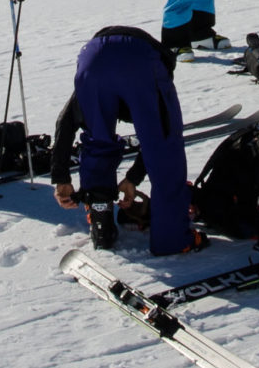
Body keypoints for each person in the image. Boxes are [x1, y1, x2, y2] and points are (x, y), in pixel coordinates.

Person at [47, 26, 205, 256]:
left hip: (93, 57)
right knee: (165, 147)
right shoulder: (159, 71)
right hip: (140, 58)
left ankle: (100, 218)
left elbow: (65, 123)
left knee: (97, 139)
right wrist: (134, 177)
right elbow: (158, 140)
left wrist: (61, 178)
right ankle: (173, 240)